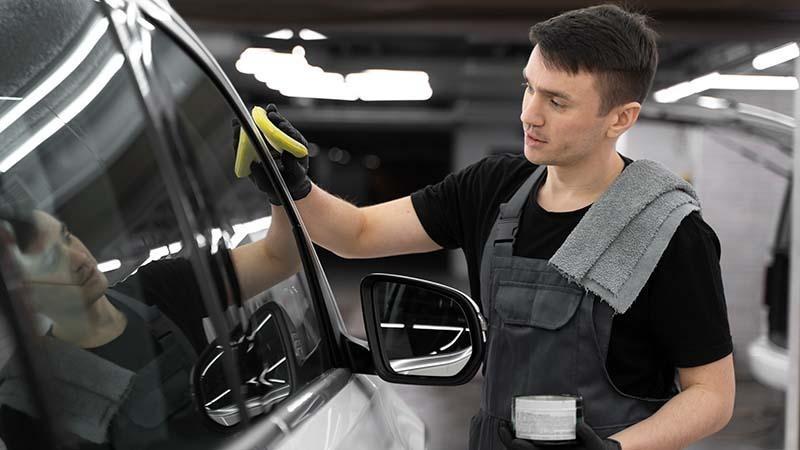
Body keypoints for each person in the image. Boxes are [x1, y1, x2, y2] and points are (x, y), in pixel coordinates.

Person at [252, 4, 735, 450]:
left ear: (620, 118)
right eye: (529, 86)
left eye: (557, 102)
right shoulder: (492, 187)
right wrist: (295, 185)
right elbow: (356, 235)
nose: (529, 113)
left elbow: (712, 395)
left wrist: (614, 449)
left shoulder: (666, 230)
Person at [0, 198, 302, 449]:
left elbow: (278, 257)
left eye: (66, 237)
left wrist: (284, 190)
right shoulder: (28, 402)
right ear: (25, 297)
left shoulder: (157, 288)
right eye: (52, 260)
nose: (78, 258)